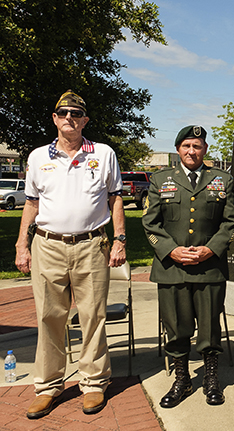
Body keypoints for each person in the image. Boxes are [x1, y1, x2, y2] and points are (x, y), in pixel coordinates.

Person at [15, 90, 126, 419]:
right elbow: (31, 203)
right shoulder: (38, 157)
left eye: (76, 114)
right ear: (54, 118)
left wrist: (119, 240)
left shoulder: (103, 154)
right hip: (47, 245)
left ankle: (93, 383)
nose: (69, 118)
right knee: (49, 317)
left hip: (92, 245)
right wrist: (22, 245)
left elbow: (115, 198)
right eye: (63, 113)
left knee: (93, 315)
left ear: (85, 120)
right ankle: (48, 386)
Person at [142, 125, 234, 408]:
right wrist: (171, 250)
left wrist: (212, 249)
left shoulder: (222, 179)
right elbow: (149, 222)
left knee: (209, 329)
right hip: (171, 269)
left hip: (209, 268)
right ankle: (182, 380)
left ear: (205, 150)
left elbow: (231, 221)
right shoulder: (161, 180)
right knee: (176, 329)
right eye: (186, 146)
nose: (191, 151)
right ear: (178, 149)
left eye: (197, 146)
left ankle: (211, 379)